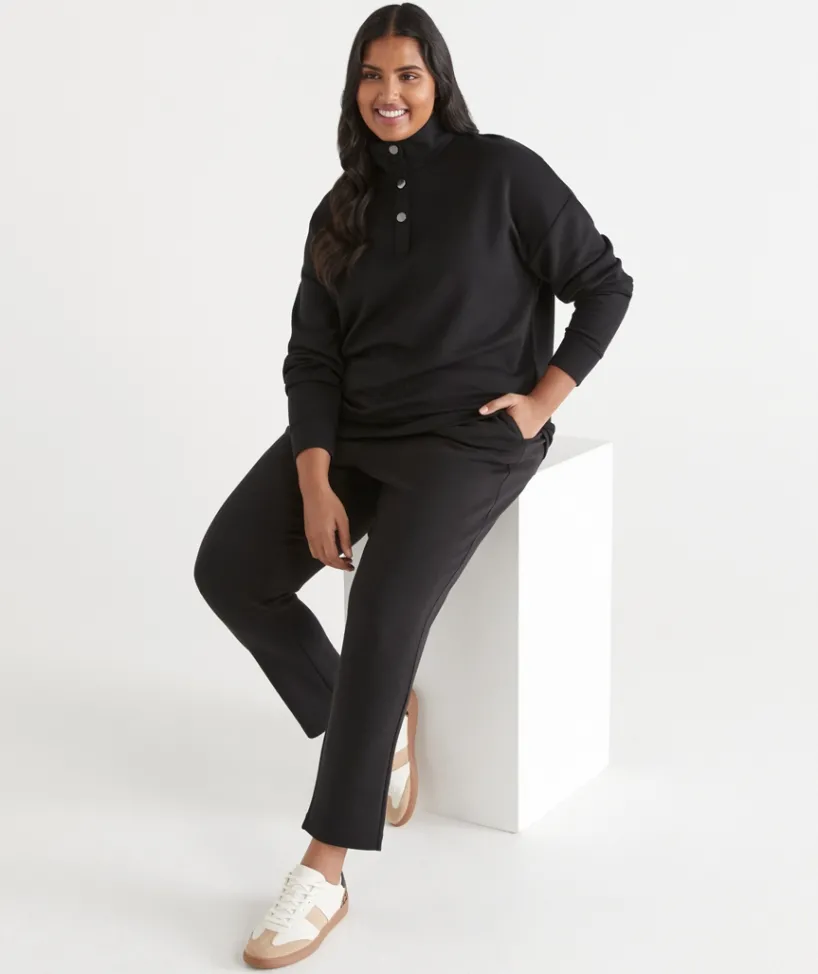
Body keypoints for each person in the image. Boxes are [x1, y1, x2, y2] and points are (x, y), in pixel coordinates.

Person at [193, 3, 633, 968]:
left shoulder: (501, 171)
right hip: (355, 433)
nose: (388, 94)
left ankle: (325, 869)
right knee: (229, 570)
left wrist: (542, 400)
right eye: (371, 75)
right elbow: (312, 358)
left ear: (439, 82)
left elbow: (604, 281)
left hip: (468, 440)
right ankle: (371, 717)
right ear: (352, 89)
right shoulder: (341, 206)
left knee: (384, 612)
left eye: (408, 75)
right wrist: (315, 475)